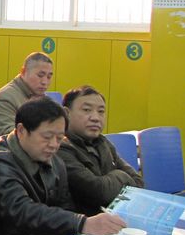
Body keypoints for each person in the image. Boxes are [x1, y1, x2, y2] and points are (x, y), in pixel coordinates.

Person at [0, 97, 126, 235]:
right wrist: (82, 223)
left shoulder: (55, 161)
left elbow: (65, 206)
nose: (54, 145)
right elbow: (20, 210)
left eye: (59, 138)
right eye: (47, 137)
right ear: (21, 131)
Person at [57, 86, 143, 215]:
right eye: (86, 110)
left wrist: (110, 182)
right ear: (66, 113)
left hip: (114, 217)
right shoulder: (60, 147)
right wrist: (121, 175)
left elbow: (139, 184)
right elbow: (97, 192)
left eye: (101, 111)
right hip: (83, 222)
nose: (95, 118)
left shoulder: (103, 142)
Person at [0, 52, 53, 148]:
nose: (45, 82)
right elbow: (12, 139)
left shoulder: (41, 97)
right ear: (23, 71)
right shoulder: (4, 98)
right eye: (40, 75)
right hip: (3, 153)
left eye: (49, 77)